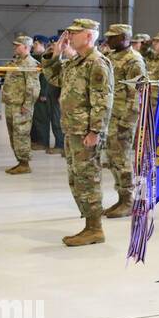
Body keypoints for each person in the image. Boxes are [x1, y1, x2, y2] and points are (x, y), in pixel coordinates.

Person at [40, 19, 114, 246]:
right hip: (72, 129)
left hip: (85, 132)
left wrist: (95, 131)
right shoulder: (75, 62)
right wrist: (56, 53)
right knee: (76, 178)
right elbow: (54, 78)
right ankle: (89, 225)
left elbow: (103, 101)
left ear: (89, 36)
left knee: (88, 178)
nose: (69, 36)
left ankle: (95, 229)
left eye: (74, 33)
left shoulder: (97, 63)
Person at [102, 24, 147, 218]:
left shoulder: (134, 60)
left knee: (122, 158)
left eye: (113, 37)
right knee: (113, 158)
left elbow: (138, 93)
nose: (109, 40)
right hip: (111, 116)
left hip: (123, 118)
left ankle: (129, 200)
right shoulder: (112, 57)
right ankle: (121, 197)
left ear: (124, 38)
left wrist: (128, 120)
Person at [1, 34, 38, 175]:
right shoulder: (16, 62)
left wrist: (27, 105)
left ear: (26, 47)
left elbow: (33, 87)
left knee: (21, 134)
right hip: (11, 104)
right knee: (13, 135)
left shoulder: (30, 64)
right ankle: (20, 161)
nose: (15, 47)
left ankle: (24, 163)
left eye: (17, 45)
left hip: (21, 106)